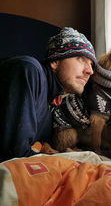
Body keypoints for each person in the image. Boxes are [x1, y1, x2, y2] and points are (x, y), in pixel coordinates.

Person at [0, 27, 97, 162]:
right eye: (81, 58)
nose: (90, 71)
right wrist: (65, 160)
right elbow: (15, 154)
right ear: (55, 61)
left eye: (92, 64)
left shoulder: (54, 100)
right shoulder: (29, 71)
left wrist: (48, 148)